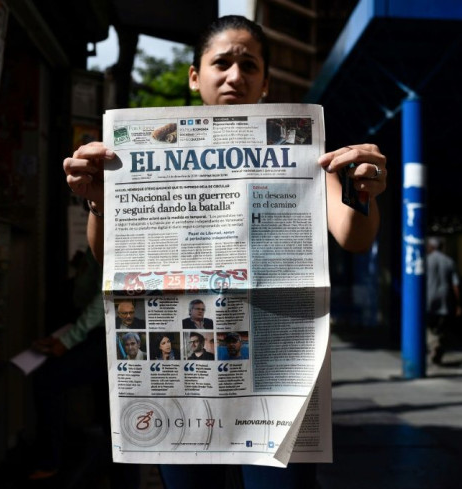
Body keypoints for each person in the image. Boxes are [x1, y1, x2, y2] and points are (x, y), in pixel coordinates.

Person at [63, 14, 386, 489]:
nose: (235, 75)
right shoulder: (146, 152)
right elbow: (108, 258)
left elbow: (355, 237)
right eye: (222, 63)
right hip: (183, 390)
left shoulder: (303, 154)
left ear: (266, 80)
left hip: (277, 386)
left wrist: (363, 191)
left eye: (249, 65)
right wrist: (97, 198)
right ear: (195, 76)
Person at [28, 251, 140, 487]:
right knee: (112, 415)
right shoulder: (96, 238)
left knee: (47, 381)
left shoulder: (107, 237)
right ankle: (124, 482)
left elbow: (104, 298)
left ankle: (50, 462)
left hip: (106, 333)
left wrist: (69, 340)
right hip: (99, 332)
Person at [425, 236, 462, 365]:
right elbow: (455, 285)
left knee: (428, 327)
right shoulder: (449, 261)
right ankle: (438, 347)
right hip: (445, 301)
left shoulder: (426, 261)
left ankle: (434, 345)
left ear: (431, 246)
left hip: (428, 300)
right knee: (442, 328)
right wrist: (458, 304)